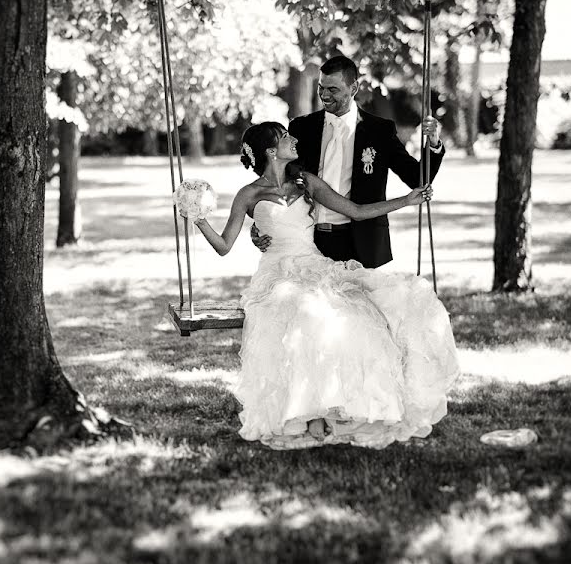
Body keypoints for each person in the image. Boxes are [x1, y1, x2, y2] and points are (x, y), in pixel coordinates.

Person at [181, 122, 459, 450]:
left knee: (353, 315)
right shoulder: (249, 195)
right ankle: (306, 412)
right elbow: (225, 246)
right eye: (286, 137)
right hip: (277, 275)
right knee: (300, 312)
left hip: (314, 266)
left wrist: (407, 200)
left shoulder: (306, 182)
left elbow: (354, 210)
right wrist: (199, 220)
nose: (294, 140)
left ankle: (343, 407)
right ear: (271, 151)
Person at [251, 55, 445, 268]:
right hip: (309, 242)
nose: (324, 95)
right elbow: (277, 181)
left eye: (332, 89)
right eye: (321, 87)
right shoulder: (301, 128)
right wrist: (262, 225)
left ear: (354, 88)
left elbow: (417, 178)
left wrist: (433, 142)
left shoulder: (379, 131)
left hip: (362, 244)